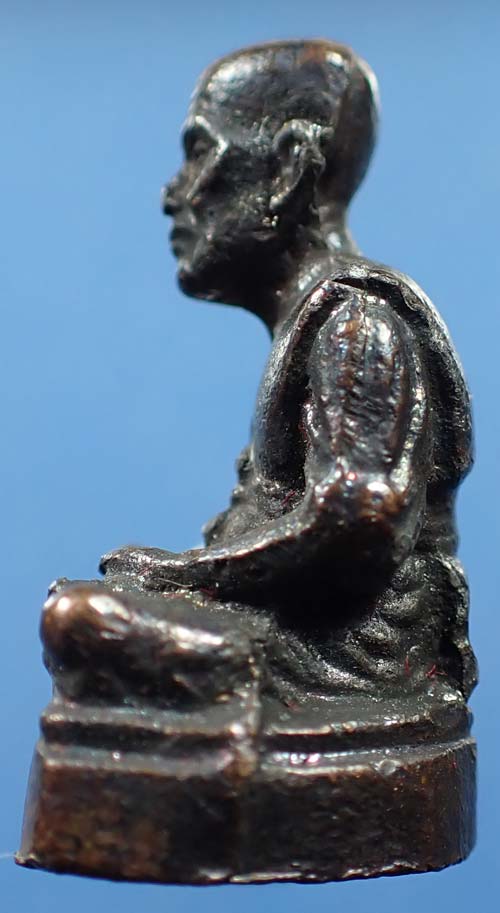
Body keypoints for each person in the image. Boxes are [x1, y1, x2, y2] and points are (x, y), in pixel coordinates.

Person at [43, 40, 476, 701]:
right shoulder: (315, 321)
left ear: (286, 170)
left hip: (343, 657)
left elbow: (358, 526)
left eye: (200, 154)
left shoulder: (357, 323)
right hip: (297, 630)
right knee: (84, 612)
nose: (174, 193)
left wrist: (182, 575)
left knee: (78, 619)